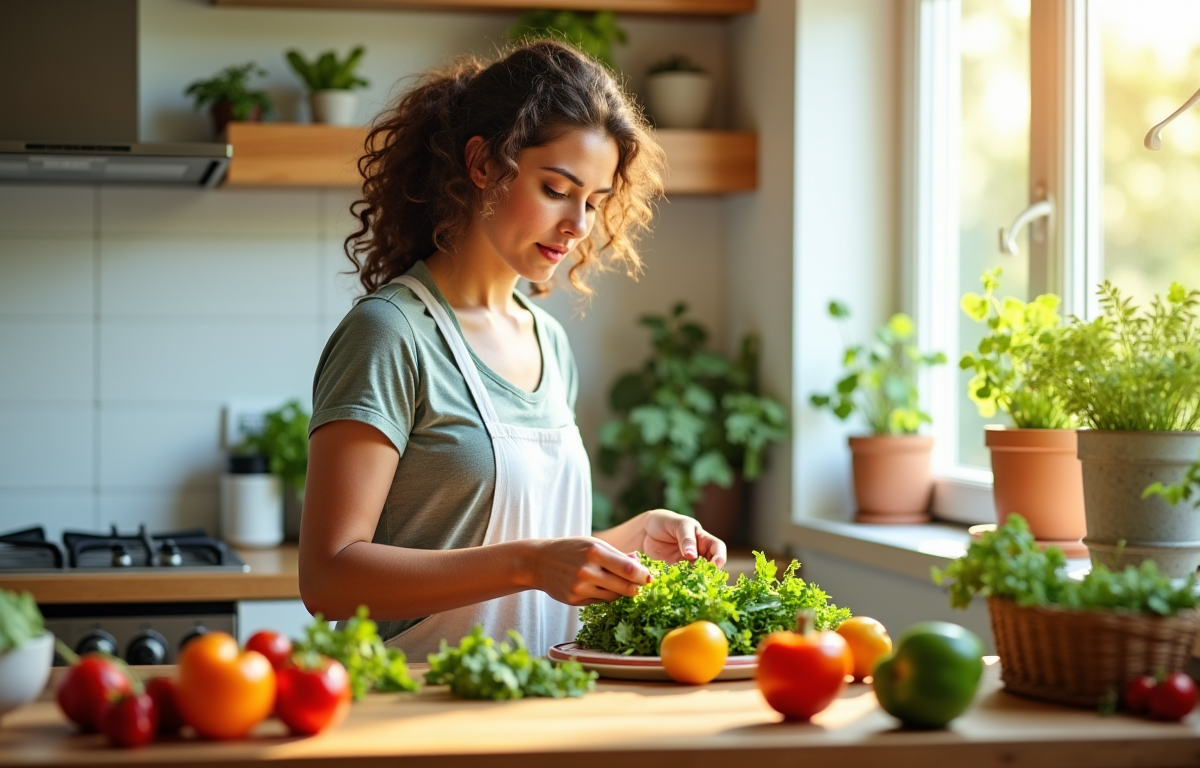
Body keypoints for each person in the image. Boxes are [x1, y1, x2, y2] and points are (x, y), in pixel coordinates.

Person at [298, 39, 728, 660]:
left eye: (594, 202)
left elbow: (528, 557)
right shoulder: (391, 334)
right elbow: (328, 580)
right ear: (482, 165)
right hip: (416, 714)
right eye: (557, 188)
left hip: (538, 706)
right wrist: (531, 563)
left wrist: (626, 541)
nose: (579, 225)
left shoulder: (547, 341)